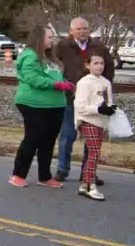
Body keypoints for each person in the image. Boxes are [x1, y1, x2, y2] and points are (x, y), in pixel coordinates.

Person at [9, 25, 72, 188]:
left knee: (48, 141)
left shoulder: (51, 58)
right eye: (49, 37)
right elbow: (33, 78)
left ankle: (44, 176)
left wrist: (65, 83)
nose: (52, 40)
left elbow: (55, 75)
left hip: (56, 104)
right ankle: (18, 174)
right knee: (32, 138)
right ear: (39, 38)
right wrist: (56, 85)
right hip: (33, 103)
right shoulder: (30, 55)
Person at [54, 17, 113, 185]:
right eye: (78, 29)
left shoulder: (98, 46)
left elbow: (109, 68)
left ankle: (88, 172)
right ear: (71, 30)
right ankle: (62, 169)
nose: (82, 32)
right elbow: (54, 67)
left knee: (92, 139)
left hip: (94, 101)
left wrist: (103, 89)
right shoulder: (62, 46)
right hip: (70, 98)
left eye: (85, 28)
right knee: (67, 136)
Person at [73, 54, 114, 201]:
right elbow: (80, 106)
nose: (99, 66)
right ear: (88, 65)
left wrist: (110, 109)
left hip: (100, 122)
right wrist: (98, 109)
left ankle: (84, 185)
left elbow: (109, 102)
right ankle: (91, 185)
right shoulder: (84, 82)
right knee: (94, 153)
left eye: (102, 63)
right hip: (87, 120)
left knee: (94, 153)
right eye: (96, 63)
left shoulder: (106, 82)